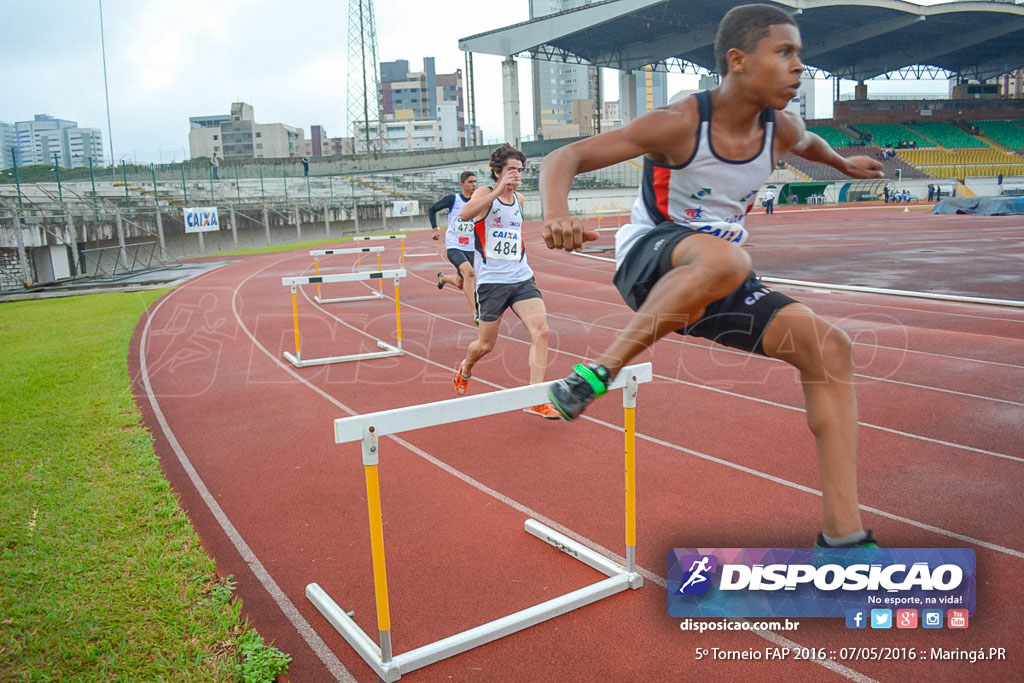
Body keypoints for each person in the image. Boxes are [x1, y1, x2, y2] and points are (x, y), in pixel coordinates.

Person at [539, 4, 884, 548]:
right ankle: (595, 375)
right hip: (650, 263)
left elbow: (811, 144)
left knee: (830, 348)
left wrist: (845, 164)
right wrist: (556, 212)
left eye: (802, 56)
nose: (799, 68)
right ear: (739, 60)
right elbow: (565, 157)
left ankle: (844, 538)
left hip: (718, 276)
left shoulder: (782, 129)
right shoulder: (677, 125)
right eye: (785, 52)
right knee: (729, 260)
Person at [453, 144, 560, 419]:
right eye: (512, 170)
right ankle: (466, 367)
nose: (517, 175)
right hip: (492, 282)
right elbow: (464, 215)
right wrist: (499, 190)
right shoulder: (485, 194)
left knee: (542, 331)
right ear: (498, 172)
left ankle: (536, 398)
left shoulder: (520, 200)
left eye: (520, 170)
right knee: (485, 346)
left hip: (521, 277)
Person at [428, 171, 479, 321]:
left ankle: (442, 278)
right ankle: (476, 312)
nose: (473, 185)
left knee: (460, 282)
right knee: (469, 273)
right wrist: (435, 229)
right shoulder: (453, 199)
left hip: (472, 247)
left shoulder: (479, 201)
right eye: (470, 182)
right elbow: (432, 209)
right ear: (462, 184)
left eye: (475, 182)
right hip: (454, 245)